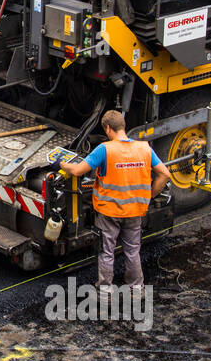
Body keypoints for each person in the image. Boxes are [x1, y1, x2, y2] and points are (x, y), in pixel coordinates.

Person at [59, 110, 171, 295]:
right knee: (133, 250)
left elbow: (78, 171)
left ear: (108, 128)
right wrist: (149, 195)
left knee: (106, 252)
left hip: (109, 212)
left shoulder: (105, 149)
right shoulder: (144, 148)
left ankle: (105, 291)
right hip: (135, 211)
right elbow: (165, 174)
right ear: (123, 126)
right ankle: (137, 288)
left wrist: (61, 164)